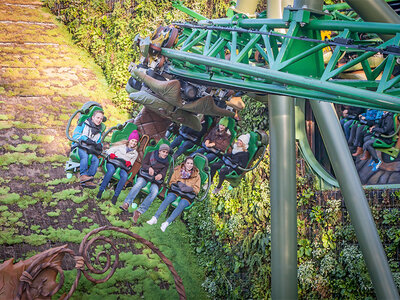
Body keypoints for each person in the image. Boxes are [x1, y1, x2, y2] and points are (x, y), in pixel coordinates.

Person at [146, 156, 200, 232]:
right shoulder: (178, 170)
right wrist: (179, 184)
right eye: (188, 163)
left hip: (187, 196)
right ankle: (155, 217)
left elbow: (197, 189)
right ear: (184, 163)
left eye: (191, 163)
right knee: (169, 197)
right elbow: (171, 182)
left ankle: (166, 223)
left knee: (182, 204)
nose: (189, 165)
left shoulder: (196, 176)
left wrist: (189, 188)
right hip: (177, 191)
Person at [120, 143, 170, 223]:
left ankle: (139, 212)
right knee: (138, 184)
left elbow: (164, 173)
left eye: (166, 153)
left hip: (155, 180)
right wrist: (149, 168)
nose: (165, 154)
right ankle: (127, 203)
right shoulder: (150, 154)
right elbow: (143, 164)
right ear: (159, 151)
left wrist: (161, 175)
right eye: (163, 151)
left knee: (155, 192)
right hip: (145, 175)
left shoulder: (166, 162)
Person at [97, 130, 139, 204]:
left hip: (122, 167)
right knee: (111, 171)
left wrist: (128, 163)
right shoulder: (121, 146)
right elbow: (109, 151)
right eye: (132, 140)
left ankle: (115, 196)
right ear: (129, 140)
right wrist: (112, 155)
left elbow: (131, 163)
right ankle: (101, 190)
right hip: (113, 163)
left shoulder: (135, 153)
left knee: (124, 176)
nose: (134, 143)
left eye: (135, 142)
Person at [72, 110, 104, 188]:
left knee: (95, 160)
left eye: (101, 119)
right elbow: (75, 135)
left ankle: (88, 180)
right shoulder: (83, 124)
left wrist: (100, 145)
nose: (99, 120)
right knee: (84, 156)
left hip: (89, 149)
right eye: (98, 118)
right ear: (93, 117)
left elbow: (98, 141)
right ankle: (83, 175)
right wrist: (85, 139)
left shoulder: (99, 131)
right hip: (80, 146)